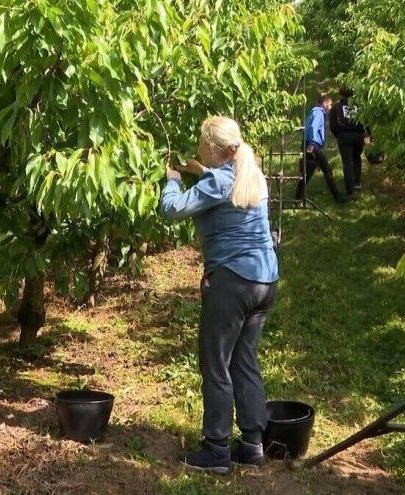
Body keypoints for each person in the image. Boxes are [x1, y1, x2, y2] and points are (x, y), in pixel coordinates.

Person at [160, 116, 279, 474]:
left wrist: (173, 182)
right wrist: (201, 172)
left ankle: (215, 450)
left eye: (201, 143)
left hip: (232, 283)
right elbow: (220, 191)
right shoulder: (249, 173)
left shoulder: (218, 180)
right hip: (264, 280)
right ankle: (253, 444)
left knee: (215, 363)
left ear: (212, 148)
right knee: (244, 360)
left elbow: (171, 210)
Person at [295, 94, 349, 203]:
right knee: (327, 170)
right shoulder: (318, 113)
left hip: (308, 144)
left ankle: (297, 199)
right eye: (329, 105)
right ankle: (337, 197)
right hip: (312, 145)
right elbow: (312, 128)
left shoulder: (314, 112)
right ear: (324, 103)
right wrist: (313, 144)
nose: (330, 107)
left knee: (307, 173)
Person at [330, 87, 371, 195]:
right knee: (356, 158)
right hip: (358, 135)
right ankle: (357, 182)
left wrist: (338, 135)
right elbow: (366, 121)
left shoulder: (336, 107)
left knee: (347, 162)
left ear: (341, 94)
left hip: (344, 136)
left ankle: (349, 189)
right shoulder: (360, 106)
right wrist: (370, 134)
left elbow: (333, 125)